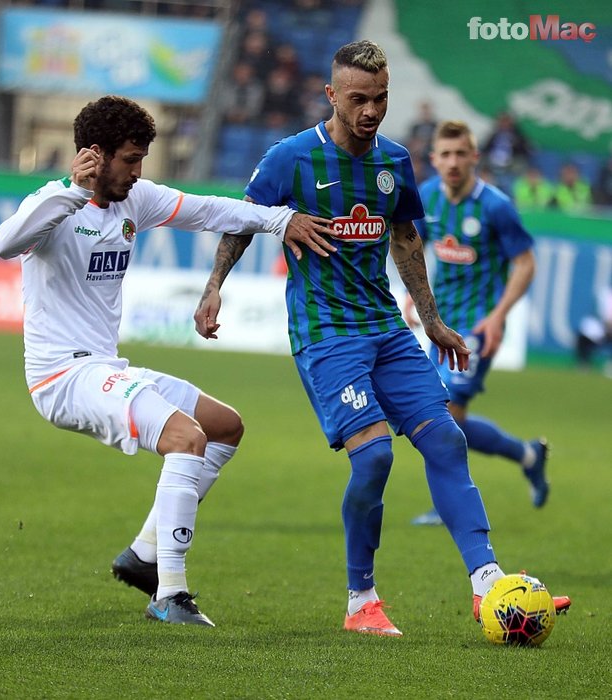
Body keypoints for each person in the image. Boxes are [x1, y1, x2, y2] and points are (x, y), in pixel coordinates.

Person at [193, 41, 570, 636]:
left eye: (382, 99)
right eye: (359, 100)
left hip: (384, 327)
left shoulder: (395, 160)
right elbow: (243, 221)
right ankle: (360, 600)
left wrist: (433, 317)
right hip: (326, 332)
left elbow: (405, 239)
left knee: (446, 440)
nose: (372, 111)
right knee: (374, 456)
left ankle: (487, 583)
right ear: (333, 96)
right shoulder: (290, 158)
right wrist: (215, 286)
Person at [0, 95, 334, 627]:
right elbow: (4, 244)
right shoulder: (53, 204)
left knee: (223, 427)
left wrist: (279, 219)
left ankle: (145, 552)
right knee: (186, 438)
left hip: (105, 367)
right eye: (129, 159)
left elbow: (209, 210)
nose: (137, 171)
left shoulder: (137, 200)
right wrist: (72, 192)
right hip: (61, 376)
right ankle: (170, 593)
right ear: (94, 155)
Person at [405, 120, 551, 528]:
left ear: (475, 157)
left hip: (477, 327)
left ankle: (449, 503)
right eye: (444, 154)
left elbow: (525, 263)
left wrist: (499, 315)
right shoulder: (426, 197)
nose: (452, 162)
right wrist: (412, 297)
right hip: (439, 325)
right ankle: (527, 455)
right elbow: (410, 250)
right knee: (449, 419)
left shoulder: (496, 206)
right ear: (433, 159)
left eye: (460, 154)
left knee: (442, 413)